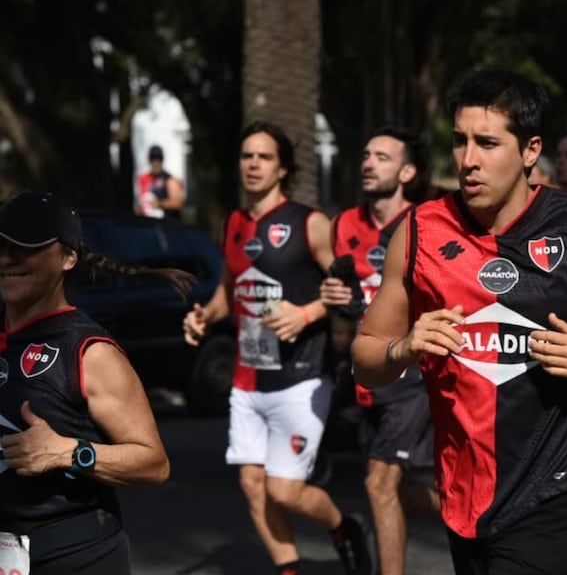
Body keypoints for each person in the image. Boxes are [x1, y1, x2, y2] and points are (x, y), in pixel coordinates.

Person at [351, 68, 567, 575]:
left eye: (487, 143)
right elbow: (365, 357)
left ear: (531, 151)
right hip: (466, 489)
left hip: (561, 484)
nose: (468, 160)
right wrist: (404, 348)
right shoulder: (419, 232)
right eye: (461, 141)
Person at [182, 121, 371, 575]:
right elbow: (231, 289)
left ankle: (344, 525)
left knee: (284, 490)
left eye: (264, 157)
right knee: (252, 485)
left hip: (300, 376)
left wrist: (305, 314)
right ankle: (289, 569)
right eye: (247, 156)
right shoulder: (234, 222)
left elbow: (349, 292)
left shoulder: (310, 223)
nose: (252, 164)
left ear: (282, 168)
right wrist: (205, 315)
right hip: (248, 378)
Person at [0, 191, 189, 574]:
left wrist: (66, 452)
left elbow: (154, 464)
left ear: (68, 257)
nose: (7, 259)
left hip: (75, 554)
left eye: (26, 248)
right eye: (2, 246)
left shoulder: (89, 351)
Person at [320, 126, 439, 575]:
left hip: (413, 373)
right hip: (367, 372)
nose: (369, 163)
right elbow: (341, 303)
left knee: (378, 484)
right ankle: (494, 516)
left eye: (383, 158)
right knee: (394, 490)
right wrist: (334, 297)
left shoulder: (428, 223)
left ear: (408, 171)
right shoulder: (343, 223)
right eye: (367, 155)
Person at [136, 145, 185, 220]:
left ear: (162, 160)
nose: (156, 162)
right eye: (153, 159)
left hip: (166, 223)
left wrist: (160, 203)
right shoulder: (143, 178)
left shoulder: (170, 180)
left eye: (158, 159)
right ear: (149, 160)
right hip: (146, 224)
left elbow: (178, 203)